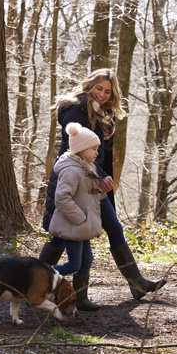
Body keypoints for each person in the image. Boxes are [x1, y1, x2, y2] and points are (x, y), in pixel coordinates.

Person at [40, 69, 166, 300]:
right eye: (99, 88)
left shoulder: (105, 116)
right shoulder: (76, 109)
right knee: (64, 234)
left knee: (99, 229)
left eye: (108, 91)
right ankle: (32, 280)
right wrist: (100, 174)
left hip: (95, 180)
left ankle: (98, 292)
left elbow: (101, 154)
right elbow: (76, 150)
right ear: (90, 85)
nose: (102, 94)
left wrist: (104, 177)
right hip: (75, 178)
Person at [48, 123, 108, 311]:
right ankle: (40, 276)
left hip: (82, 227)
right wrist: (80, 218)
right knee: (74, 264)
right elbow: (61, 198)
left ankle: (81, 298)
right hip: (74, 225)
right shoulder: (72, 170)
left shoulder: (87, 167)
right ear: (81, 149)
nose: (97, 153)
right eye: (93, 148)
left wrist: (102, 190)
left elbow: (89, 194)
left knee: (86, 260)